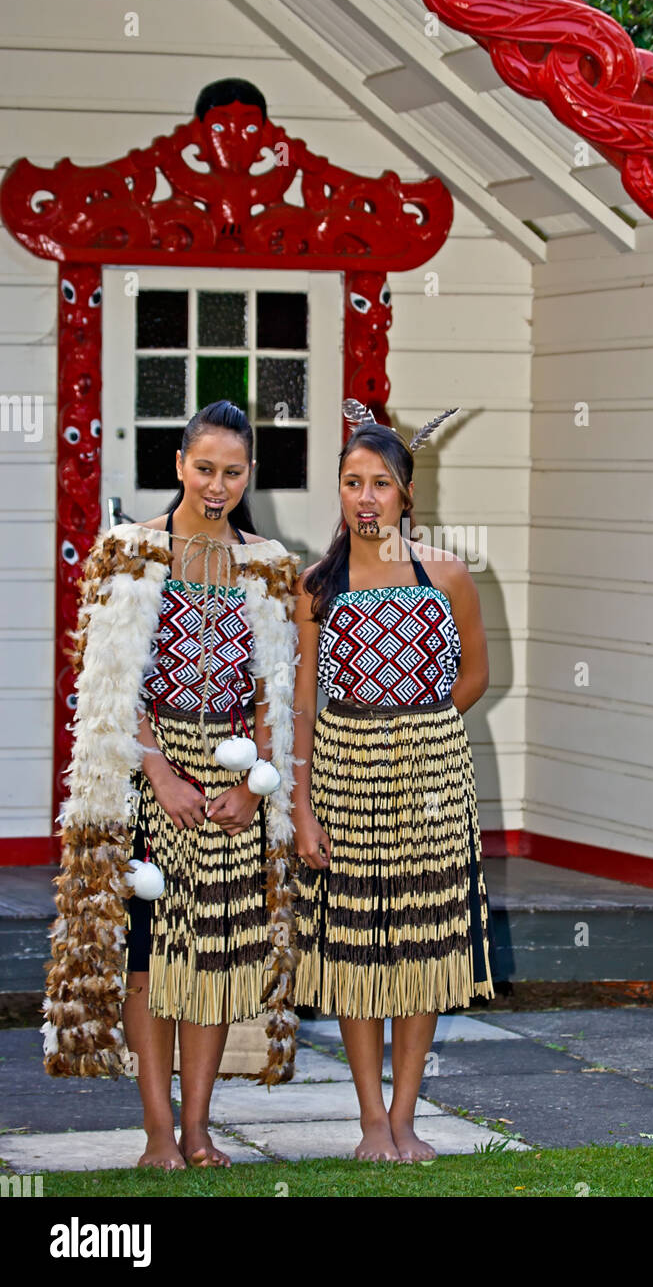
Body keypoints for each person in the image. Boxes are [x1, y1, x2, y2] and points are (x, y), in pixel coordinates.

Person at [42, 401, 301, 1170]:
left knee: (213, 957)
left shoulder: (269, 564)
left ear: (249, 473)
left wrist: (255, 787)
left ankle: (198, 1128)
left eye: (232, 471)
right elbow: (103, 683)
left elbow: (276, 693)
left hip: (232, 775)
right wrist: (157, 771)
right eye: (204, 468)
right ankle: (157, 1132)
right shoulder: (127, 553)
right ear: (179, 465)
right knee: (150, 954)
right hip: (143, 773)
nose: (217, 485)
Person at [291, 399, 496, 1163]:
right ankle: (371, 1120)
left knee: (420, 950)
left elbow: (474, 676)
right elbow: (303, 702)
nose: (366, 496)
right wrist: (303, 808)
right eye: (352, 482)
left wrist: (420, 729)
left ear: (407, 494)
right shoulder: (318, 584)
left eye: (381, 482)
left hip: (433, 782)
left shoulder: (447, 574)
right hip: (344, 778)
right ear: (339, 492)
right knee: (355, 952)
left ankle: (408, 1119)